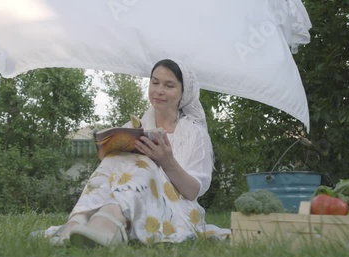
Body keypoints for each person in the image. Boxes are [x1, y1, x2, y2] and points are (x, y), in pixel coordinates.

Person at [41, 59, 230, 247]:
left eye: (169, 85)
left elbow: (192, 191)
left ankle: (108, 224)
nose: (159, 90)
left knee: (144, 164)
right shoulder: (134, 127)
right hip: (130, 198)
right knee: (115, 158)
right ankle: (78, 221)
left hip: (176, 207)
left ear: (183, 93)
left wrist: (167, 161)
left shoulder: (194, 133)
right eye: (155, 82)